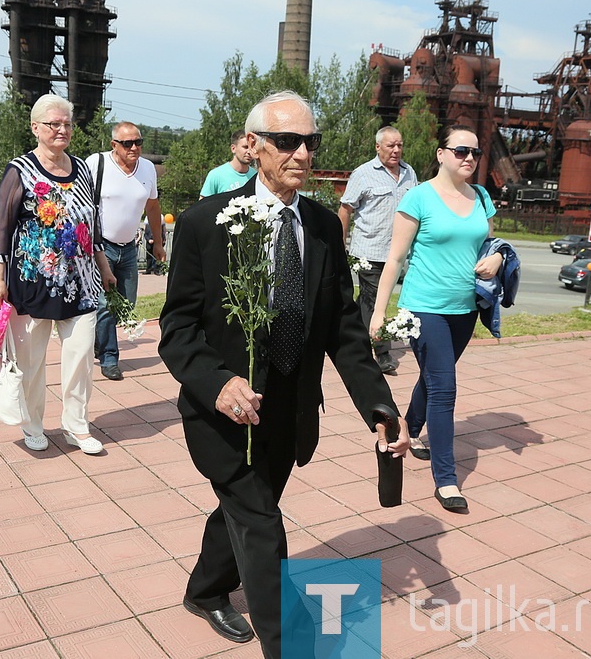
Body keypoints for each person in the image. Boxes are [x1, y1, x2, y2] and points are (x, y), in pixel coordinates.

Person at [158, 91, 407, 659]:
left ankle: (206, 588)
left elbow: (343, 327)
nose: (302, 153)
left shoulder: (321, 225)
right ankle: (291, 645)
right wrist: (218, 381)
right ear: (254, 145)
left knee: (248, 509)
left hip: (289, 410)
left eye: (310, 142)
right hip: (222, 414)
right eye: (288, 141)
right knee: (263, 527)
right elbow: (177, 329)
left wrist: (380, 406)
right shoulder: (206, 223)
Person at [370, 124, 502, 513]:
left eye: (475, 153)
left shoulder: (480, 197)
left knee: (432, 379)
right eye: (460, 151)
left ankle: (406, 427)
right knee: (445, 387)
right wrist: (379, 311)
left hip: (466, 309)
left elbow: (490, 244)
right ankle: (446, 480)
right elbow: (394, 259)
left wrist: (497, 258)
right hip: (424, 307)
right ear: (441, 154)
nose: (469, 159)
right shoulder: (419, 198)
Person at [0, 93, 116, 455]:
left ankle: (76, 425)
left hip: (81, 282)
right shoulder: (20, 170)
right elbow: (2, 228)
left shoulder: (82, 168)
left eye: (67, 124)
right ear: (36, 128)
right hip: (32, 283)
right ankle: (32, 424)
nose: (62, 130)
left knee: (80, 360)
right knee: (32, 363)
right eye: (54, 124)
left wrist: (104, 265)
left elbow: (93, 222)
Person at [85, 122, 165, 380]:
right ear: (114, 145)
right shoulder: (96, 164)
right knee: (107, 304)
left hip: (130, 247)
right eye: (127, 143)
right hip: (101, 246)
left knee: (127, 303)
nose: (134, 148)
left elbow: (153, 207)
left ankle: (100, 341)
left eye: (138, 142)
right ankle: (110, 358)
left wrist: (160, 243)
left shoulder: (148, 169)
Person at [338, 126, 418, 375]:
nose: (396, 150)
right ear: (378, 147)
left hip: (397, 252)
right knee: (374, 301)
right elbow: (345, 209)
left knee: (365, 302)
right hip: (369, 251)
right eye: (390, 145)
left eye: (399, 145)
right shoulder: (363, 174)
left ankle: (348, 334)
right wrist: (341, 244)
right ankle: (382, 354)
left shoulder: (409, 173)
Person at [199, 129, 258, 198]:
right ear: (233, 148)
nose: (249, 151)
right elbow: (202, 205)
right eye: (245, 147)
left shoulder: (256, 176)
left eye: (251, 147)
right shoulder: (216, 175)